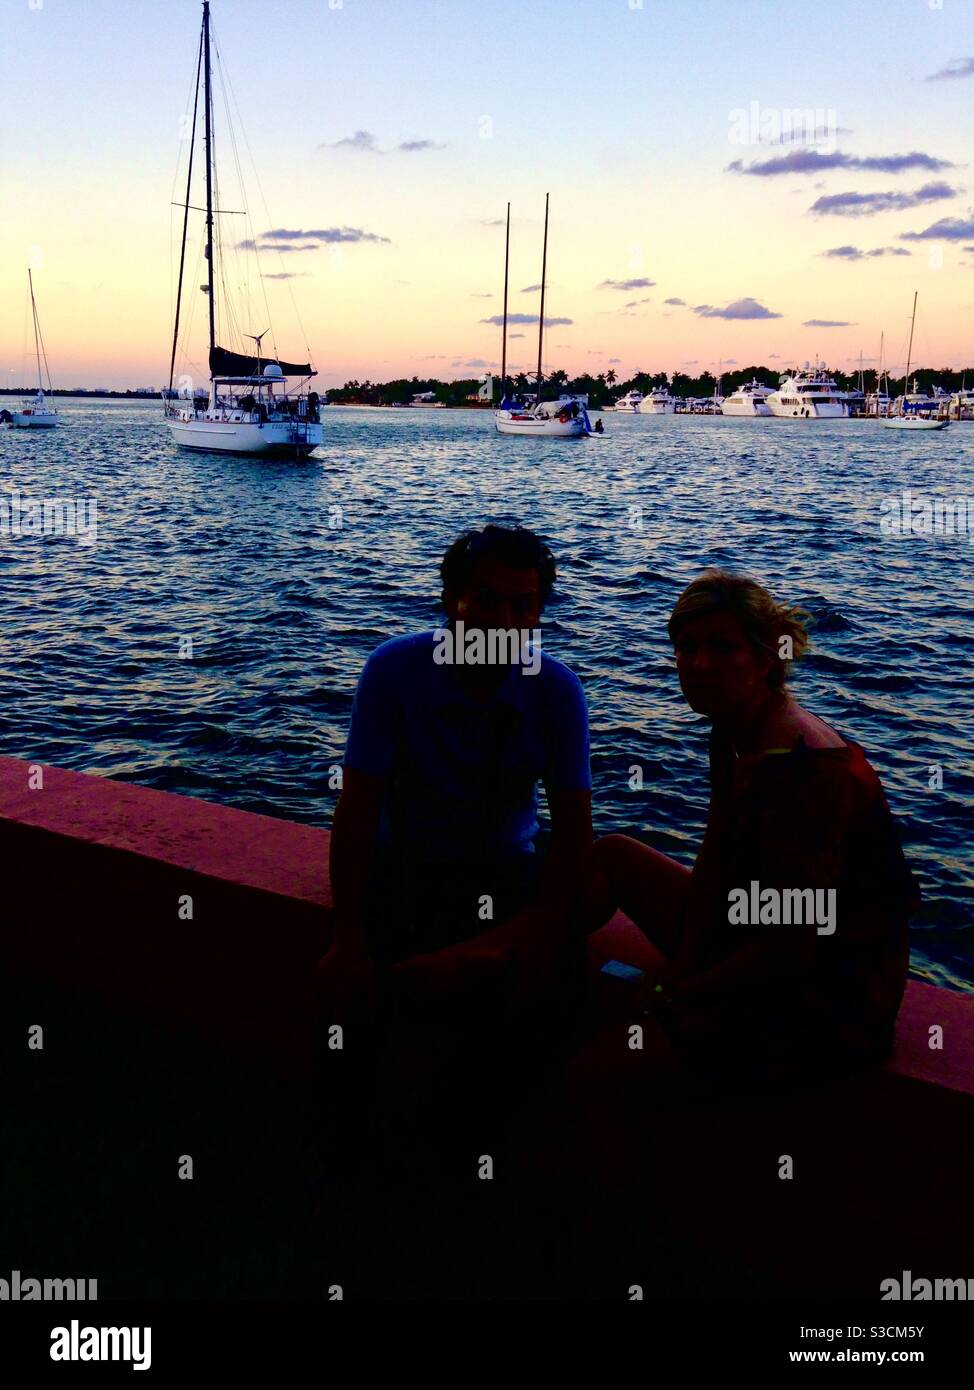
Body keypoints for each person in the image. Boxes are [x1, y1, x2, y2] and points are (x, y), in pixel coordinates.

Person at [572, 569, 919, 1099]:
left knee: (587, 1078)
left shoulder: (802, 771)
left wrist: (674, 993)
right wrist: (683, 965)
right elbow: (712, 863)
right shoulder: (735, 729)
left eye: (721, 647)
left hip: (827, 998)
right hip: (755, 931)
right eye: (686, 647)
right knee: (611, 856)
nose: (698, 664)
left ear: (764, 659)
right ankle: (533, 965)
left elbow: (789, 950)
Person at [313, 524, 593, 1169]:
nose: (506, 620)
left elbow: (576, 834)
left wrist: (540, 931)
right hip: (404, 869)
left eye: (525, 605)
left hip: (505, 876)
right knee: (374, 1013)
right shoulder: (395, 670)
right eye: (488, 599)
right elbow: (356, 810)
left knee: (538, 1005)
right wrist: (348, 938)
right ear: (452, 601)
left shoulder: (555, 691)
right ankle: (370, 1158)